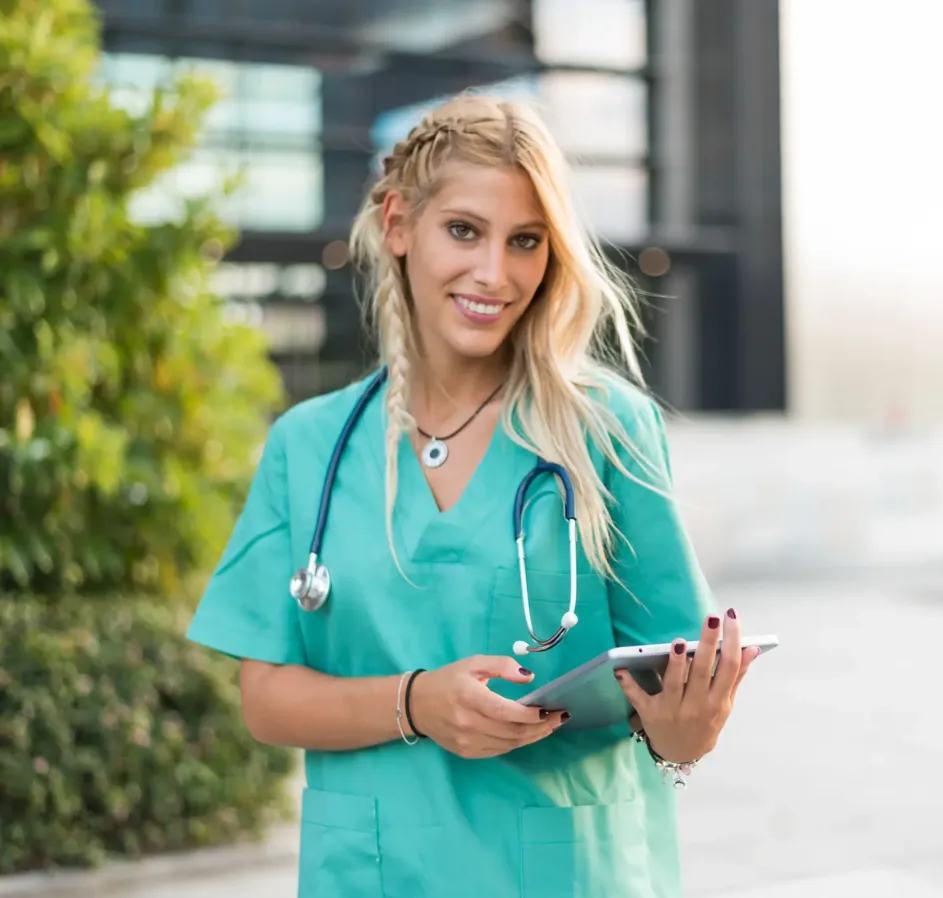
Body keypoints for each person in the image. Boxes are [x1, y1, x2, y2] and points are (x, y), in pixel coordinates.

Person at [186, 92, 760, 898]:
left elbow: (673, 685)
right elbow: (267, 700)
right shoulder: (309, 446)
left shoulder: (608, 431)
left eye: (526, 241)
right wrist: (417, 703)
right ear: (397, 226)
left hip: (567, 872)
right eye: (464, 230)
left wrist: (687, 738)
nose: (495, 273)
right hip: (374, 876)